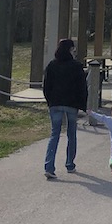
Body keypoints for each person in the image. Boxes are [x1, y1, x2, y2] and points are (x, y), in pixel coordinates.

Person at [42, 38, 88, 179]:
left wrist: (50, 101)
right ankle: (70, 164)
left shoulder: (52, 65)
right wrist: (82, 105)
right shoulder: (76, 66)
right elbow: (82, 87)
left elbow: (46, 86)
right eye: (73, 50)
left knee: (54, 134)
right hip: (71, 104)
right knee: (71, 134)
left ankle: (49, 166)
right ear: (70, 50)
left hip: (55, 103)